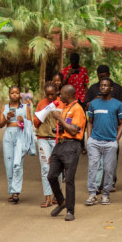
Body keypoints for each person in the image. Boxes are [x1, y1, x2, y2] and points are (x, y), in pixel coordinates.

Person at [85, 64, 122, 190]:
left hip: (112, 132)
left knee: (111, 161)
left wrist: (117, 138)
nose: (103, 86)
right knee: (96, 162)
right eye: (100, 78)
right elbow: (87, 107)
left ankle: (111, 183)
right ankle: (97, 186)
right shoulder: (93, 89)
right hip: (96, 133)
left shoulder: (118, 89)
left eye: (105, 80)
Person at [47, 85, 87, 221]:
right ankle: (61, 202)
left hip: (72, 145)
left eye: (62, 94)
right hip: (60, 144)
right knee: (51, 176)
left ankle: (70, 210)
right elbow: (63, 128)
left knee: (69, 179)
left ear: (69, 95)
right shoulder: (65, 108)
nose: (60, 96)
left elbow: (74, 130)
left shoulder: (78, 109)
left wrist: (59, 118)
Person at [0, 86, 30, 204]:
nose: (15, 95)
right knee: (9, 163)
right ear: (9, 94)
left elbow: (30, 124)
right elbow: (0, 125)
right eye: (12, 93)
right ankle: (12, 191)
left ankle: (16, 191)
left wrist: (23, 121)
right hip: (8, 135)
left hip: (20, 135)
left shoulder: (25, 107)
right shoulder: (5, 107)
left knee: (18, 163)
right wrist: (7, 118)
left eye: (17, 93)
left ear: (20, 94)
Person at [33, 82, 62, 208]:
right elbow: (35, 123)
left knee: (57, 168)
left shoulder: (62, 102)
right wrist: (44, 113)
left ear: (57, 92)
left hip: (58, 139)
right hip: (43, 138)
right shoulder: (41, 103)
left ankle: (57, 195)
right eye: (47, 94)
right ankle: (48, 197)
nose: (50, 97)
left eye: (52, 94)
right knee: (45, 168)